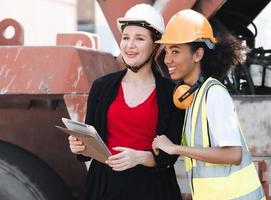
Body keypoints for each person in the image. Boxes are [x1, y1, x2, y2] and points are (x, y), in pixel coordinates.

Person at [68, 3, 184, 200]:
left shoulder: (171, 93)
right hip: (104, 188)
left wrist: (140, 157)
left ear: (155, 45)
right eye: (126, 38)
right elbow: (90, 144)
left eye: (139, 39)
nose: (130, 45)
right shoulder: (102, 87)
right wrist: (79, 146)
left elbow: (170, 155)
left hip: (152, 190)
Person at [152, 9, 266, 200]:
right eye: (167, 50)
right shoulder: (192, 95)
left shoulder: (214, 94)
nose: (167, 59)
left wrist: (176, 148)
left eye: (175, 51)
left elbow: (233, 154)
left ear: (197, 54)